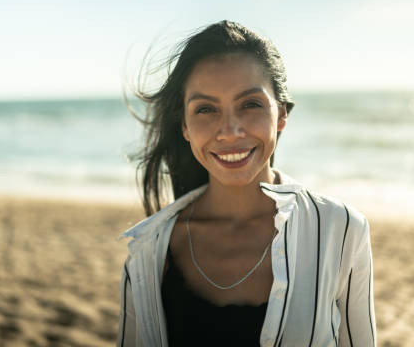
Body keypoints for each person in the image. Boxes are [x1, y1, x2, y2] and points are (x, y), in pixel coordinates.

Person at [117, 20, 376, 346]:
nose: (230, 131)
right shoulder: (148, 250)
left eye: (250, 104)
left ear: (281, 114)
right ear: (184, 126)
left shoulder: (342, 230)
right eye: (206, 109)